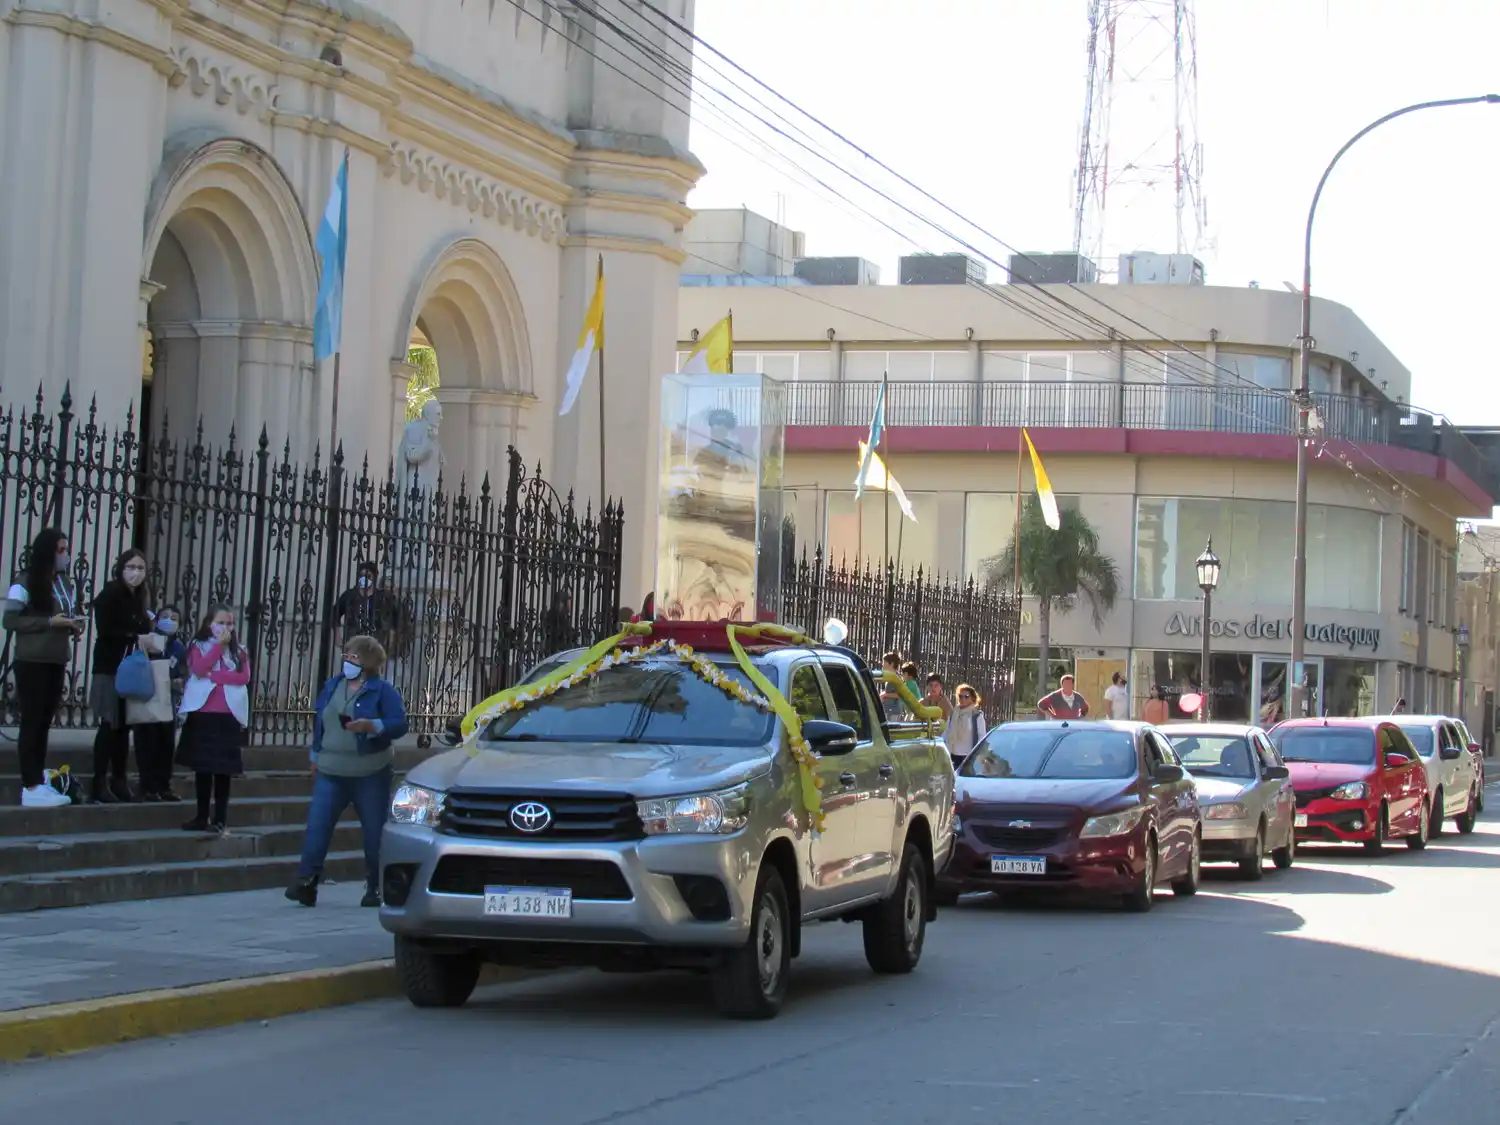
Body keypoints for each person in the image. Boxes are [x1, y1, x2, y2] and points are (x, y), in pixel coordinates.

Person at [287, 634, 408, 909]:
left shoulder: (382, 690)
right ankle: (307, 881)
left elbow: (399, 724)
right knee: (317, 826)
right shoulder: (333, 685)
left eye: (354, 657)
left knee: (374, 832)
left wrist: (373, 725)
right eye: (347, 655)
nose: (348, 661)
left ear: (368, 662)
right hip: (331, 770)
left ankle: (375, 886)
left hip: (370, 772)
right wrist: (315, 756)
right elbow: (322, 722)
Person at [2, 528, 83, 807]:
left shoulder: (64, 582)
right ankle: (30, 784)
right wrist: (49, 622)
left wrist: (72, 625)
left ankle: (38, 776)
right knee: (32, 720)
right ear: (47, 551)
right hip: (32, 660)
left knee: (45, 721)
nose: (65, 555)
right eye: (60, 550)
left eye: (66, 549)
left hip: (57, 658)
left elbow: (64, 613)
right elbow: (11, 620)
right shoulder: (25, 581)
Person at [88, 549, 156, 803]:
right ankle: (98, 781)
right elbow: (107, 629)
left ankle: (119, 779)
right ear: (121, 568)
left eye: (140, 568)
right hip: (110, 667)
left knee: (124, 728)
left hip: (131, 670)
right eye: (131, 566)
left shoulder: (140, 599)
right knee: (109, 723)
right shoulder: (110, 595)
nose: (135, 572)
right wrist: (135, 637)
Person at [175, 604, 251, 833]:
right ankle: (201, 816)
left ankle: (220, 818)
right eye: (220, 623)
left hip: (227, 714)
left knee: (223, 770)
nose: (225, 627)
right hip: (203, 712)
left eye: (229, 623)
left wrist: (215, 676)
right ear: (209, 623)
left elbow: (243, 677)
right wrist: (218, 647)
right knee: (203, 768)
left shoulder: (240, 651)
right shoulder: (198, 645)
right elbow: (198, 669)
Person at [137, 604, 187, 801]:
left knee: (166, 745)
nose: (169, 621)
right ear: (156, 620)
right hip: (148, 698)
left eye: (174, 618)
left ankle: (164, 784)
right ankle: (147, 786)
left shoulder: (178, 647)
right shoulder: (149, 640)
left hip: (168, 700)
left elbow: (184, 670)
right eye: (165, 617)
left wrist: (180, 681)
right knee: (147, 743)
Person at [944, 684, 988, 767]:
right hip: (953, 754)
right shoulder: (954, 714)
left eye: (966, 696)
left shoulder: (977, 715)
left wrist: (979, 754)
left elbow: (982, 736)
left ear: (972, 698)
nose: (963, 699)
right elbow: (946, 732)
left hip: (969, 756)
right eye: (960, 696)